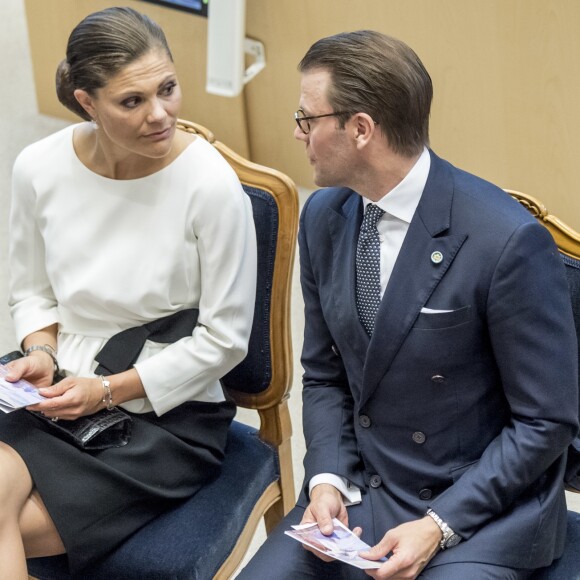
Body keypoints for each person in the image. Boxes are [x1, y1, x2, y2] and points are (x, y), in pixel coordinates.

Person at [239, 30, 579, 579]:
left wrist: (438, 523)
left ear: (360, 129)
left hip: (477, 507)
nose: (296, 132)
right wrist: (327, 479)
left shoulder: (506, 242)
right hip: (362, 489)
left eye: (307, 118)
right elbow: (324, 374)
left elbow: (546, 422)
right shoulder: (324, 217)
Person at [0, 7, 256, 579]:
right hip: (59, 387)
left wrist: (107, 391)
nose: (161, 114)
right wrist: (41, 353)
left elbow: (226, 341)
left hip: (167, 412)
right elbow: (32, 293)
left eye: (167, 89)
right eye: (132, 101)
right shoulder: (38, 168)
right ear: (87, 101)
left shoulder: (211, 188)